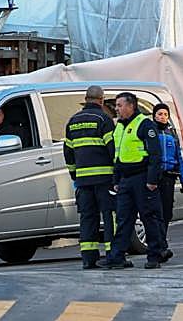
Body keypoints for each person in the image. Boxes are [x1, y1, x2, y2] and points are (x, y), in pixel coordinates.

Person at [103, 92, 167, 270]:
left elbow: (155, 154)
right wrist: (116, 179)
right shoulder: (120, 127)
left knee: (149, 217)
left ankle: (154, 256)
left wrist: (152, 180)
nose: (116, 109)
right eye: (116, 106)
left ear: (131, 106)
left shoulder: (145, 125)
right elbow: (118, 155)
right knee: (123, 219)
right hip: (125, 180)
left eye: (119, 105)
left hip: (142, 178)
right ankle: (117, 257)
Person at [62, 86, 116, 270]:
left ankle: (88, 258)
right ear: (101, 100)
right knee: (110, 216)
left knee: (87, 218)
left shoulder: (72, 121)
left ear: (85, 99)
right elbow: (112, 149)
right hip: (104, 178)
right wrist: (117, 174)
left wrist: (74, 175)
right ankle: (113, 254)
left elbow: (68, 152)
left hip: (83, 181)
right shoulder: (104, 120)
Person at [152, 103, 183, 257]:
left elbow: (178, 156)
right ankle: (160, 244)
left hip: (169, 176)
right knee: (156, 212)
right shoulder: (151, 132)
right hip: (155, 176)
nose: (163, 117)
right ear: (154, 116)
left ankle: (162, 240)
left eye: (165, 114)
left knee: (167, 212)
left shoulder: (171, 133)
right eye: (160, 114)